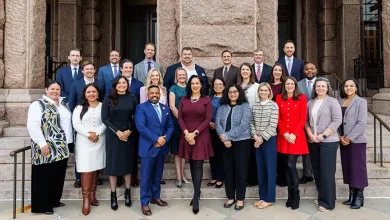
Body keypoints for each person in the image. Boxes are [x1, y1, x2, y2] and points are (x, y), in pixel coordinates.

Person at [26, 80, 72, 215]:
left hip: (61, 146)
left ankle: (54, 200)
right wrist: (41, 143)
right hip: (46, 146)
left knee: (57, 175)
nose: (55, 92)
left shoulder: (62, 103)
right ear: (46, 89)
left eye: (57, 89)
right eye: (52, 89)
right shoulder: (37, 104)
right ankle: (43, 205)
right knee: (44, 176)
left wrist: (68, 142)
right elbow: (33, 125)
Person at [135, 85, 174, 216]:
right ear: (148, 94)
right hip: (148, 148)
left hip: (161, 148)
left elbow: (170, 126)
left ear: (160, 94)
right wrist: (157, 139)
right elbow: (141, 127)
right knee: (146, 177)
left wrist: (165, 139)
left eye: (156, 93)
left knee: (158, 175)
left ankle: (155, 197)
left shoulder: (165, 108)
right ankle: (144, 203)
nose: (154, 95)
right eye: (151, 93)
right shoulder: (141, 108)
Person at [305, 77, 342, 212]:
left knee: (327, 171)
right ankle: (324, 195)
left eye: (323, 86)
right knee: (317, 170)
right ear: (315, 88)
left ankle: (327, 203)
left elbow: (337, 120)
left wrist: (324, 135)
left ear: (327, 88)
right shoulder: (310, 103)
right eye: (318, 86)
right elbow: (306, 121)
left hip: (328, 141)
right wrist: (310, 135)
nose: (320, 88)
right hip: (313, 140)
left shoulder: (332, 102)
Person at [101, 76, 138, 211]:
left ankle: (127, 192)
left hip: (129, 134)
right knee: (114, 164)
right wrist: (117, 132)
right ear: (115, 85)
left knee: (127, 163)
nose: (122, 85)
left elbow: (137, 117)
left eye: (124, 83)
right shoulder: (108, 99)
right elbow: (105, 119)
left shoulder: (132, 98)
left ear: (127, 85)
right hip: (113, 135)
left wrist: (129, 131)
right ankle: (113, 195)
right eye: (119, 83)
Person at [178, 75, 213, 215]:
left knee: (198, 163)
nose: (195, 85)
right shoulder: (184, 99)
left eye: (197, 83)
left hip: (201, 135)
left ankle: (196, 197)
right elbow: (180, 117)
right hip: (186, 135)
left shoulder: (206, 100)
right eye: (192, 83)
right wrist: (187, 133)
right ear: (189, 85)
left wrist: (195, 133)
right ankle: (197, 190)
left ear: (201, 85)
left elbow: (207, 119)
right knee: (192, 163)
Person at [216, 84, 251, 210]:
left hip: (242, 142)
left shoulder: (245, 107)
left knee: (240, 171)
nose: (232, 94)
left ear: (239, 93)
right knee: (228, 170)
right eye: (230, 92)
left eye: (235, 91)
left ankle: (240, 198)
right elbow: (218, 124)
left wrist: (227, 136)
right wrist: (223, 137)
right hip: (225, 143)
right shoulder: (222, 107)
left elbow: (243, 125)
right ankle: (230, 197)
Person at [72, 84, 106, 215]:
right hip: (84, 142)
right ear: (84, 94)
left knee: (95, 166)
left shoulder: (103, 106)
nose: (91, 94)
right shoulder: (79, 108)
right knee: (86, 169)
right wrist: (89, 134)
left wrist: (96, 133)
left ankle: (92, 195)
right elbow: (76, 124)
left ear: (98, 94)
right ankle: (85, 200)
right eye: (88, 92)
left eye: (94, 92)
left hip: (99, 140)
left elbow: (105, 122)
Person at [275, 76, 308, 210]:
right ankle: (289, 195)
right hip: (284, 137)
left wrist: (294, 134)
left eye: (292, 84)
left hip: (296, 137)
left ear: (295, 85)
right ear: (284, 86)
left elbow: (302, 117)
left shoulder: (302, 97)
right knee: (286, 167)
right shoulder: (278, 98)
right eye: (287, 84)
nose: (289, 86)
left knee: (291, 165)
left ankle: (296, 194)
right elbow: (278, 117)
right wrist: (285, 133)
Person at [338, 78, 368, 210]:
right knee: (348, 167)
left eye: (351, 86)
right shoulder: (340, 101)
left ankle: (359, 197)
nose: (348, 88)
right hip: (343, 140)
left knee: (357, 168)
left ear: (356, 88)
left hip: (356, 140)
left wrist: (349, 138)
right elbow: (338, 120)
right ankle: (351, 195)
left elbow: (361, 122)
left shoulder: (361, 102)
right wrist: (340, 136)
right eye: (346, 86)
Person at [251, 82, 279, 209]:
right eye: (261, 90)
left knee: (270, 169)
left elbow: (273, 124)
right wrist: (255, 136)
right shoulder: (255, 105)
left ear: (269, 92)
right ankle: (262, 196)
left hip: (269, 140)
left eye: (265, 90)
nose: (263, 92)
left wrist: (261, 138)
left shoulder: (274, 105)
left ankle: (269, 198)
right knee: (260, 169)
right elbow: (251, 122)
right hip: (257, 140)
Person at [120, 59, 144, 187]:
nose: (128, 70)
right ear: (121, 69)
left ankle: (133, 177)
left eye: (130, 68)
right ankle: (119, 177)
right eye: (126, 68)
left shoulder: (138, 84)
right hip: (118, 123)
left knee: (133, 151)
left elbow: (140, 103)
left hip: (133, 122)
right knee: (120, 152)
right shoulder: (116, 82)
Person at [237, 62, 259, 187]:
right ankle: (243, 178)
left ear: (251, 72)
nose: (245, 71)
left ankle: (253, 178)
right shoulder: (238, 86)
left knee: (253, 153)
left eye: (247, 69)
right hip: (240, 123)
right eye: (243, 69)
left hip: (252, 121)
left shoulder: (256, 86)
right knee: (243, 153)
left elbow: (257, 104)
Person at [168, 68, 190, 188]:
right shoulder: (173, 88)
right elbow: (172, 106)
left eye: (183, 74)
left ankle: (183, 174)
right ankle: (178, 177)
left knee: (185, 150)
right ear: (176, 76)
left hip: (189, 124)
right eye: (179, 75)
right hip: (177, 123)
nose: (182, 76)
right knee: (177, 151)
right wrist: (181, 119)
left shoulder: (189, 87)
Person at [297, 63, 317, 184]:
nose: (309, 71)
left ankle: (318, 173)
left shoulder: (322, 83)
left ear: (316, 70)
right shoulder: (298, 85)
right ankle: (307, 173)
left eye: (312, 69)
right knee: (306, 148)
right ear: (303, 71)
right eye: (307, 69)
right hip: (303, 119)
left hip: (319, 120)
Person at [270, 63, 287, 187]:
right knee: (273, 150)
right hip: (270, 120)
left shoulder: (285, 86)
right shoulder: (268, 85)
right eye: (275, 70)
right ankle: (274, 174)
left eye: (279, 70)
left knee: (282, 150)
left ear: (282, 72)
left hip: (282, 119)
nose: (277, 72)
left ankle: (282, 176)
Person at [208, 77, 226, 188]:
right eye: (216, 84)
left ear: (224, 86)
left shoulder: (226, 98)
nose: (218, 86)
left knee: (221, 154)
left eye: (220, 84)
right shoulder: (209, 98)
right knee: (212, 154)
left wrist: (217, 125)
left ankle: (220, 177)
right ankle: (214, 176)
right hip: (210, 129)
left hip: (222, 130)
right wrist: (209, 123)